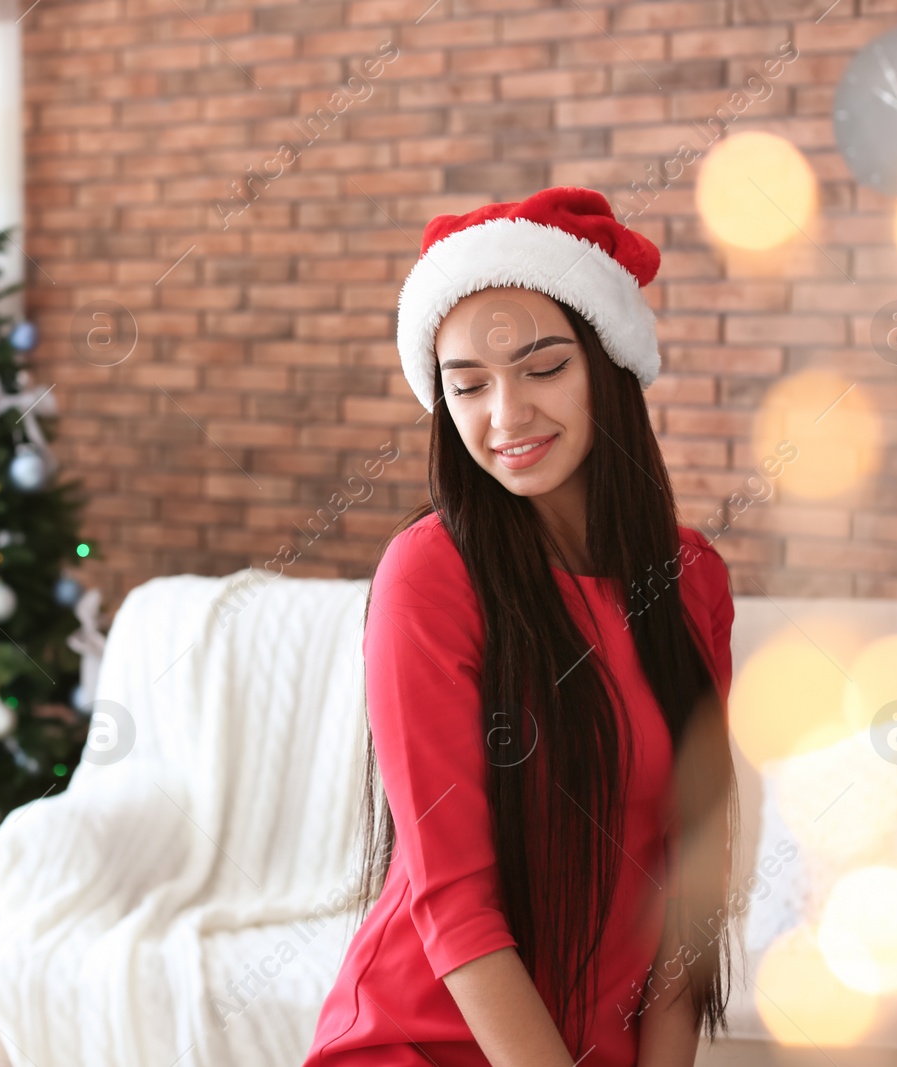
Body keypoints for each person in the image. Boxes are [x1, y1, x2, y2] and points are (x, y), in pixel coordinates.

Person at [301, 186, 739, 1067]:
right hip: (418, 1045)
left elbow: (686, 888)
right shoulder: (429, 576)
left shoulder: (692, 582)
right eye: (468, 385)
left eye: (543, 369)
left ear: (607, 368)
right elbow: (455, 902)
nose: (507, 417)